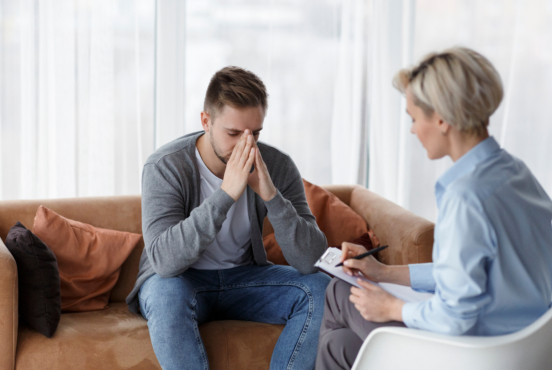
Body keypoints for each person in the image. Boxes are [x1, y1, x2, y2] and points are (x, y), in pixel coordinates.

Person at [315, 47, 552, 370]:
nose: (412, 130)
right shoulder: (516, 172)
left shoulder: (466, 197)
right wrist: (384, 273)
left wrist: (392, 307)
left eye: (414, 118)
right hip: (525, 350)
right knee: (338, 346)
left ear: (441, 118)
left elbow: (456, 319)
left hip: (471, 354)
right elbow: (464, 274)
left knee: (339, 291)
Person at [126, 66, 331, 370]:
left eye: (255, 134)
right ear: (205, 121)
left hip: (244, 279)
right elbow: (164, 263)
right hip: (181, 281)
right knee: (166, 293)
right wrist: (225, 195)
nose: (245, 146)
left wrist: (271, 197)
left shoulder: (276, 164)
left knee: (323, 288)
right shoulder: (165, 166)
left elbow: (311, 260)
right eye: (233, 133)